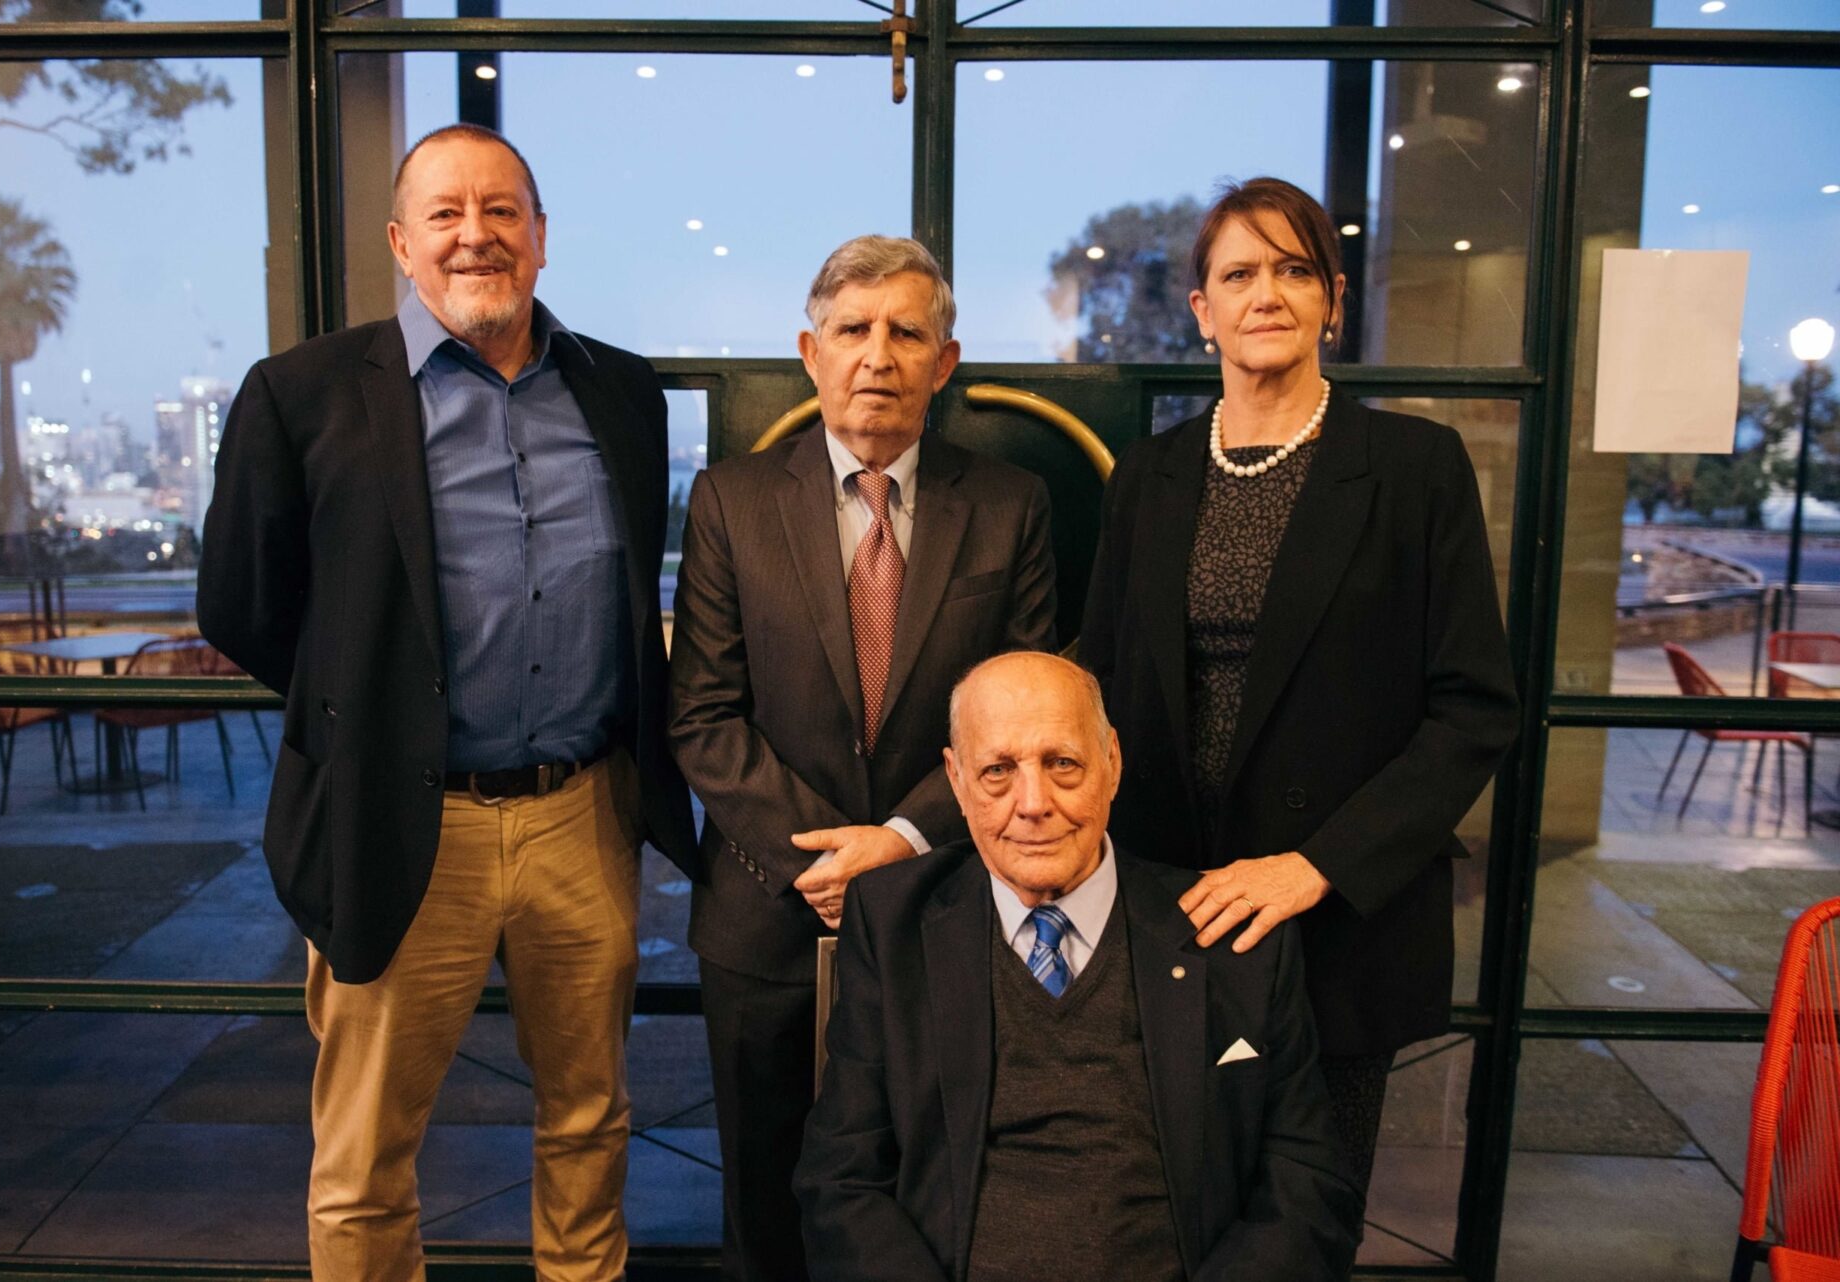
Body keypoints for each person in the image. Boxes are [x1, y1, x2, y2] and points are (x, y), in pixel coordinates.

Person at [197, 123, 697, 1282]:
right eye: (446, 213)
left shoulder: (619, 391)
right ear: (400, 242)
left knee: (591, 1118)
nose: (477, 234)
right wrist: (372, 711)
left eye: (502, 210)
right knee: (368, 1152)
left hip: (584, 814)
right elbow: (242, 606)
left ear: (539, 236)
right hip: (400, 820)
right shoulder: (302, 394)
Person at [1078, 176, 1520, 1209]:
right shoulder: (1148, 475)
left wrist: (1318, 865)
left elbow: (1473, 709)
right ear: (1202, 311)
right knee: (1161, 1205)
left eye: (1291, 269)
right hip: (1170, 908)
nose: (1264, 292)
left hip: (1336, 919)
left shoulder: (1415, 468)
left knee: (1305, 1216)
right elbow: (1097, 681)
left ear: (1332, 296)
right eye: (1238, 273)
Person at [669, 234, 1057, 1282]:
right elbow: (703, 714)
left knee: (926, 1190)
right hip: (765, 910)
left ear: (946, 358)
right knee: (764, 1198)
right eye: (852, 329)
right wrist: (821, 859)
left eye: (905, 331)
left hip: (943, 904)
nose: (877, 355)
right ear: (809, 350)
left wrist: (896, 840)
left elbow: (1022, 720)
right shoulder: (731, 502)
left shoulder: (1012, 507)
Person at [794, 652, 1360, 1282]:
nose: (1033, 803)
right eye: (997, 771)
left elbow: (1308, 1184)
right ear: (955, 780)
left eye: (1062, 763)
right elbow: (840, 1178)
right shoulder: (893, 922)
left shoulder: (1227, 935)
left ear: (1111, 763)